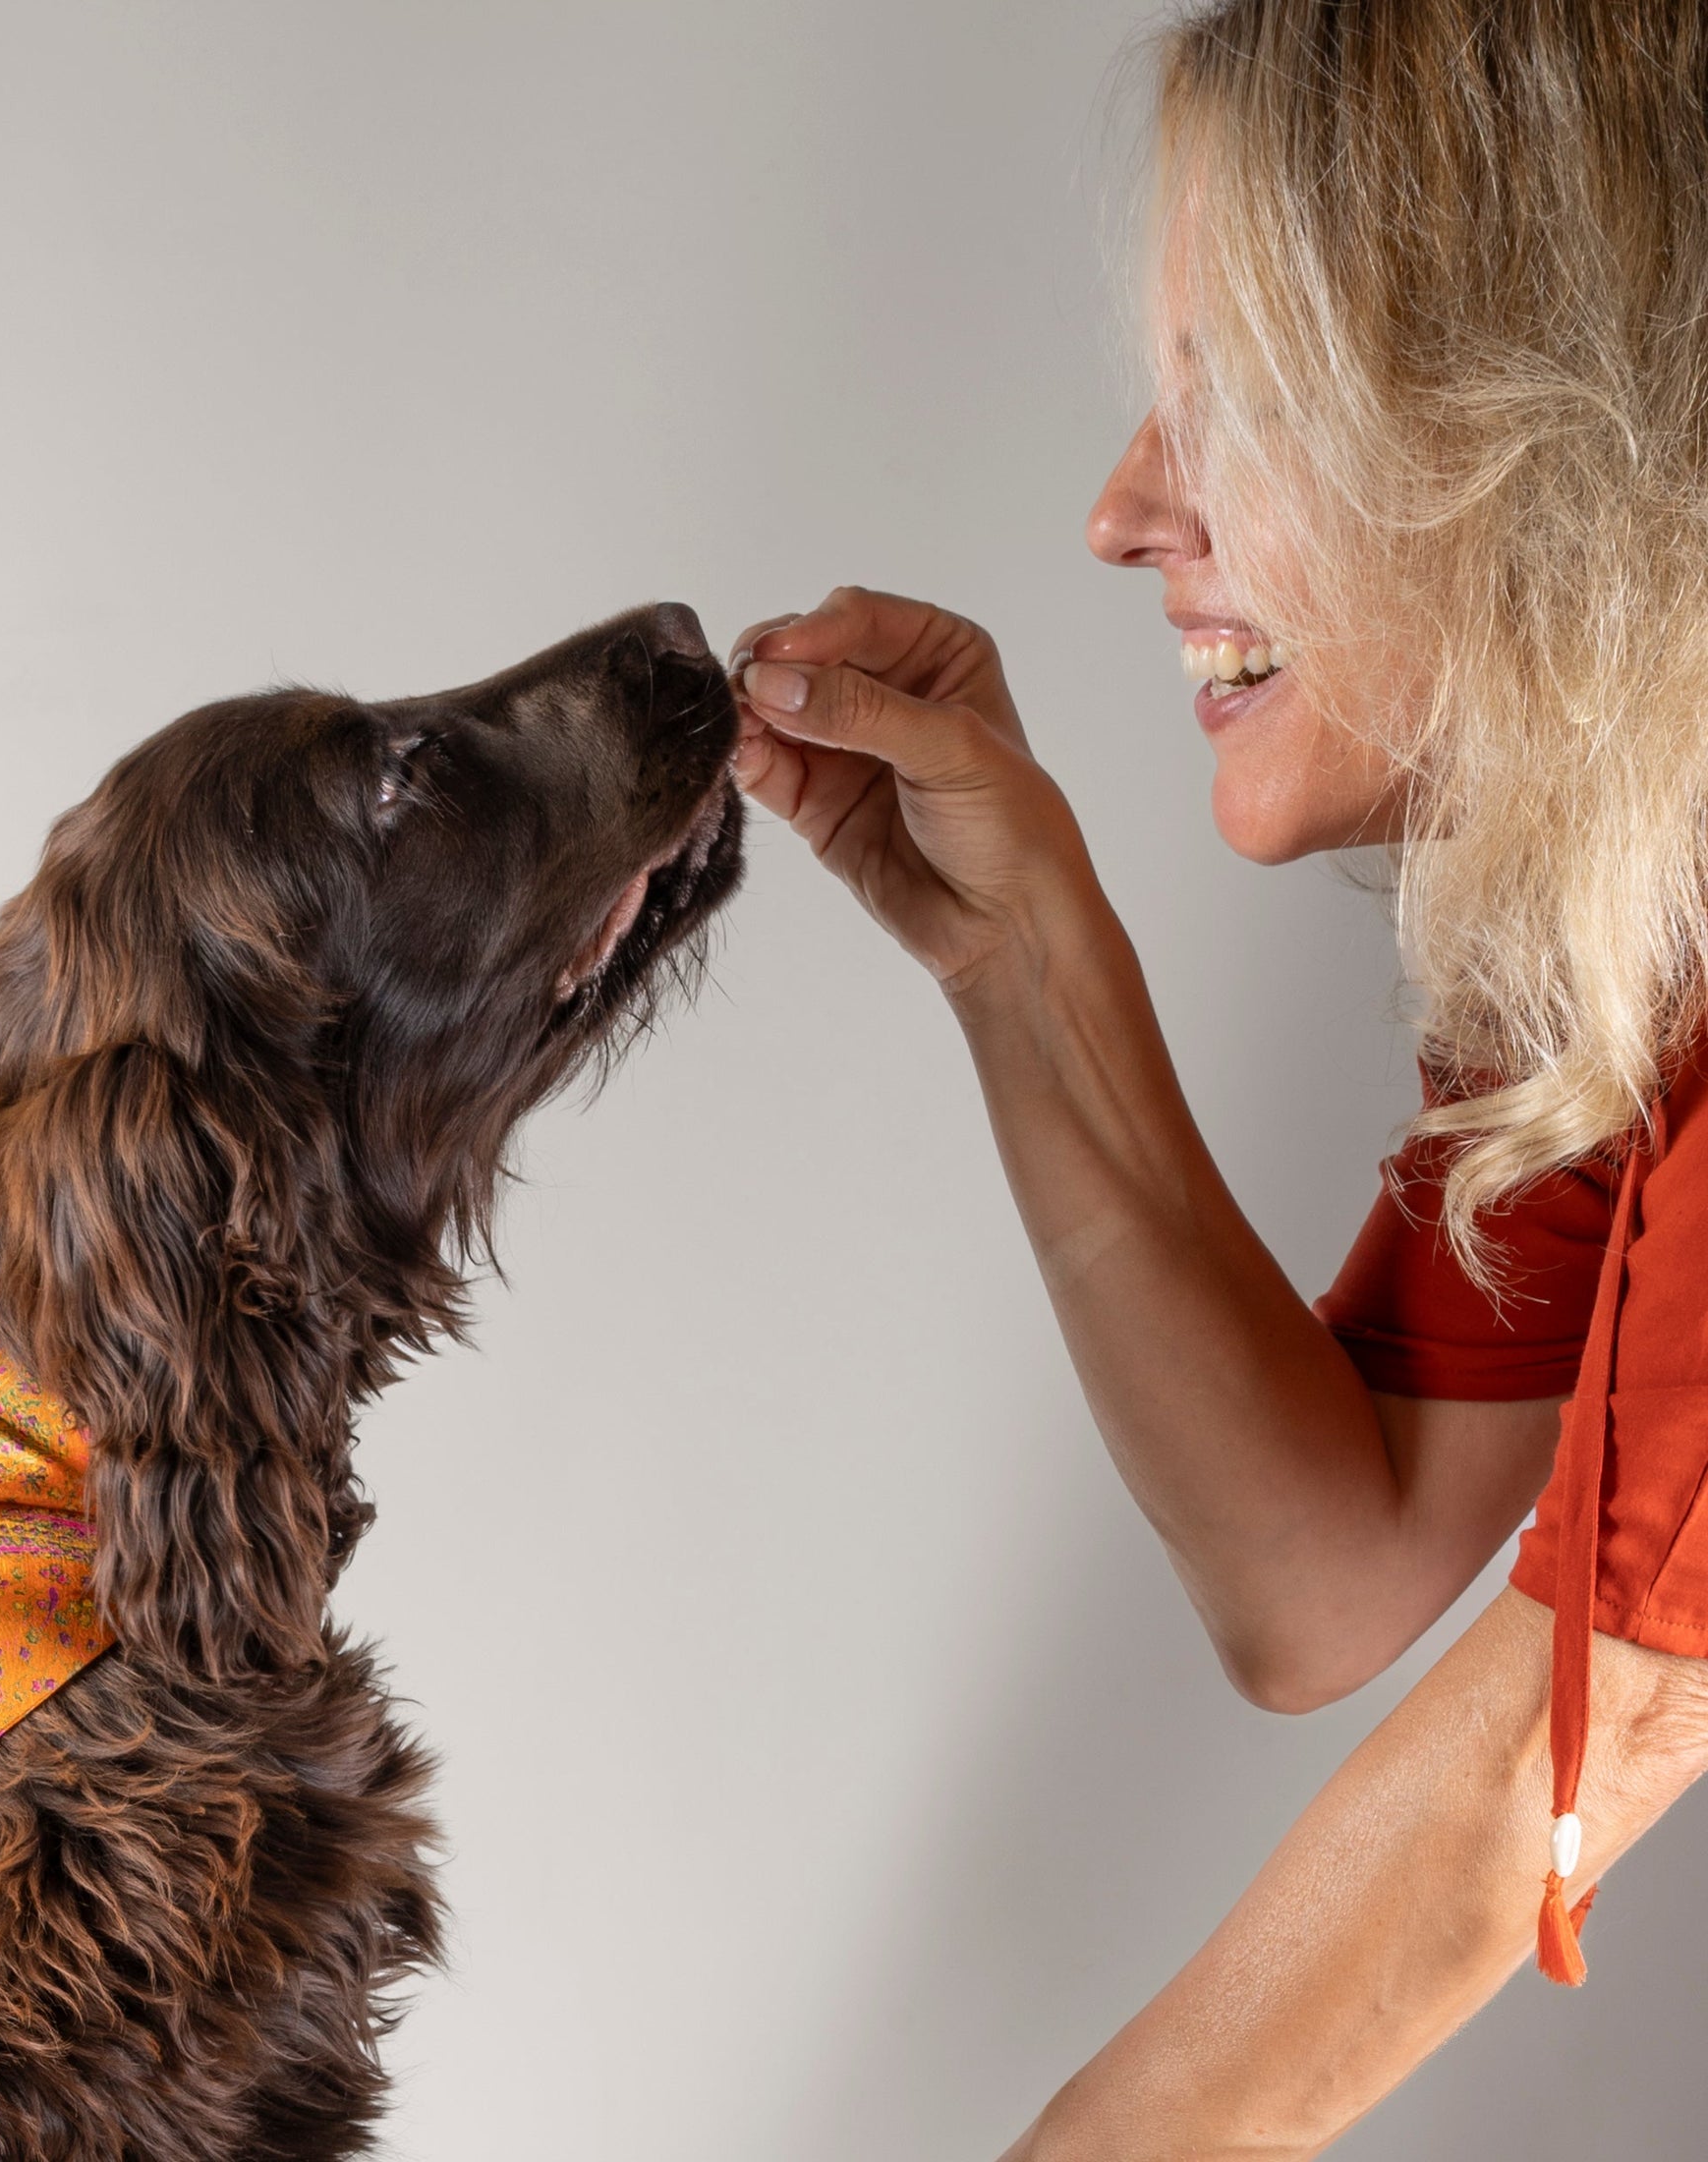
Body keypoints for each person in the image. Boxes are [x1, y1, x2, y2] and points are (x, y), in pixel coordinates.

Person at [730, 1, 1708, 2151]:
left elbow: (1567, 1753)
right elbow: (1323, 1563)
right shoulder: (1632, 923)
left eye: (1237, 399)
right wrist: (1018, 955)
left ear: (1553, 412)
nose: (1116, 510)